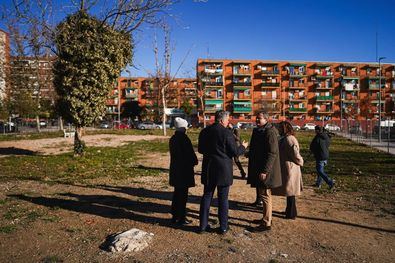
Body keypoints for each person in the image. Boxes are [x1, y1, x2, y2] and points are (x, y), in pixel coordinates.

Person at [198, 110, 248, 234]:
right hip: (223, 169)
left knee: (207, 196)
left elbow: (200, 149)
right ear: (222, 120)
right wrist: (243, 147)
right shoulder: (226, 133)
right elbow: (235, 152)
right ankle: (223, 226)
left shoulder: (205, 131)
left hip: (209, 167)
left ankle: (203, 226)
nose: (228, 122)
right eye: (227, 120)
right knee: (223, 199)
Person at [247, 111, 282, 232]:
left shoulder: (270, 131)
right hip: (259, 167)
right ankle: (265, 218)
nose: (257, 120)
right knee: (263, 195)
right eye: (256, 118)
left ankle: (267, 223)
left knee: (266, 195)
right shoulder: (259, 130)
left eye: (259, 118)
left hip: (266, 170)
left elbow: (272, 153)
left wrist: (265, 171)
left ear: (266, 119)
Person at [169, 117, 198, 225]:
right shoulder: (184, 139)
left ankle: (175, 216)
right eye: (186, 127)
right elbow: (190, 155)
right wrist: (195, 161)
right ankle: (181, 217)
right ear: (183, 128)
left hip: (176, 170)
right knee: (182, 196)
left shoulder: (173, 138)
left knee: (177, 194)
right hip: (184, 171)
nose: (187, 129)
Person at [272, 121, 304, 220]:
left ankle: (291, 213)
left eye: (280, 128)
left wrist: (300, 161)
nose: (278, 130)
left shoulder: (290, 139)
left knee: (291, 192)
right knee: (290, 192)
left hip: (291, 168)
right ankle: (290, 211)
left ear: (284, 129)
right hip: (288, 168)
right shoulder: (286, 138)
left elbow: (295, 154)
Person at [310, 125, 334, 189]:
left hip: (320, 156)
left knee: (320, 171)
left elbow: (312, 146)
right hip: (325, 155)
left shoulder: (318, 137)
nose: (315, 131)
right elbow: (328, 144)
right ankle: (318, 183)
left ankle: (330, 182)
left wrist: (313, 151)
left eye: (315, 130)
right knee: (320, 171)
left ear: (317, 130)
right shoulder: (326, 136)